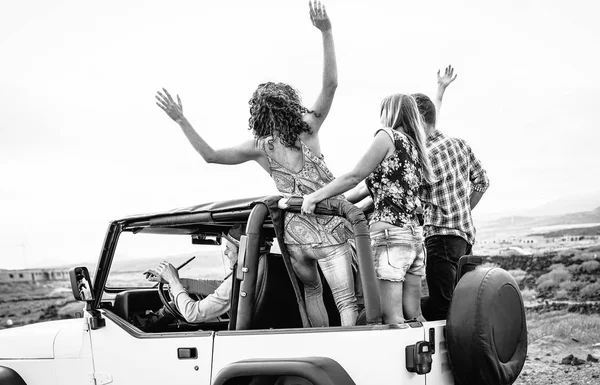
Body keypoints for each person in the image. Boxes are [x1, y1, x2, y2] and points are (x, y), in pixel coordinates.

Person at [154, 1, 358, 327]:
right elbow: (331, 85)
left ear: (259, 114)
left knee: (312, 293)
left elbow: (211, 155)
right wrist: (326, 31)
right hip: (329, 226)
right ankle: (348, 347)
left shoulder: (260, 147)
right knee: (346, 300)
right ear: (291, 104)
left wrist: (181, 120)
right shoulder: (307, 128)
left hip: (296, 235)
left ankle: (324, 343)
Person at [302, 94, 435, 324]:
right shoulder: (414, 148)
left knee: (392, 318)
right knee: (415, 315)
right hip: (413, 240)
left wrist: (315, 196)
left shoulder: (387, 136)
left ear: (390, 113)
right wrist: (335, 202)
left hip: (390, 237)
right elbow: (365, 188)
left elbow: (354, 176)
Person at [413, 65, 490, 321]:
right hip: (465, 237)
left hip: (441, 240)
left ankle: (446, 358)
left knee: (442, 308)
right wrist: (462, 208)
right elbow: (482, 181)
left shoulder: (424, 158)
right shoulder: (458, 144)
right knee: (460, 304)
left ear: (416, 122)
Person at [143, 224, 246, 323]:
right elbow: (218, 286)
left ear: (242, 253)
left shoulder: (237, 283)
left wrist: (174, 281)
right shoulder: (243, 279)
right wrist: (173, 280)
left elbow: (192, 314)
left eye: (228, 248)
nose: (225, 252)